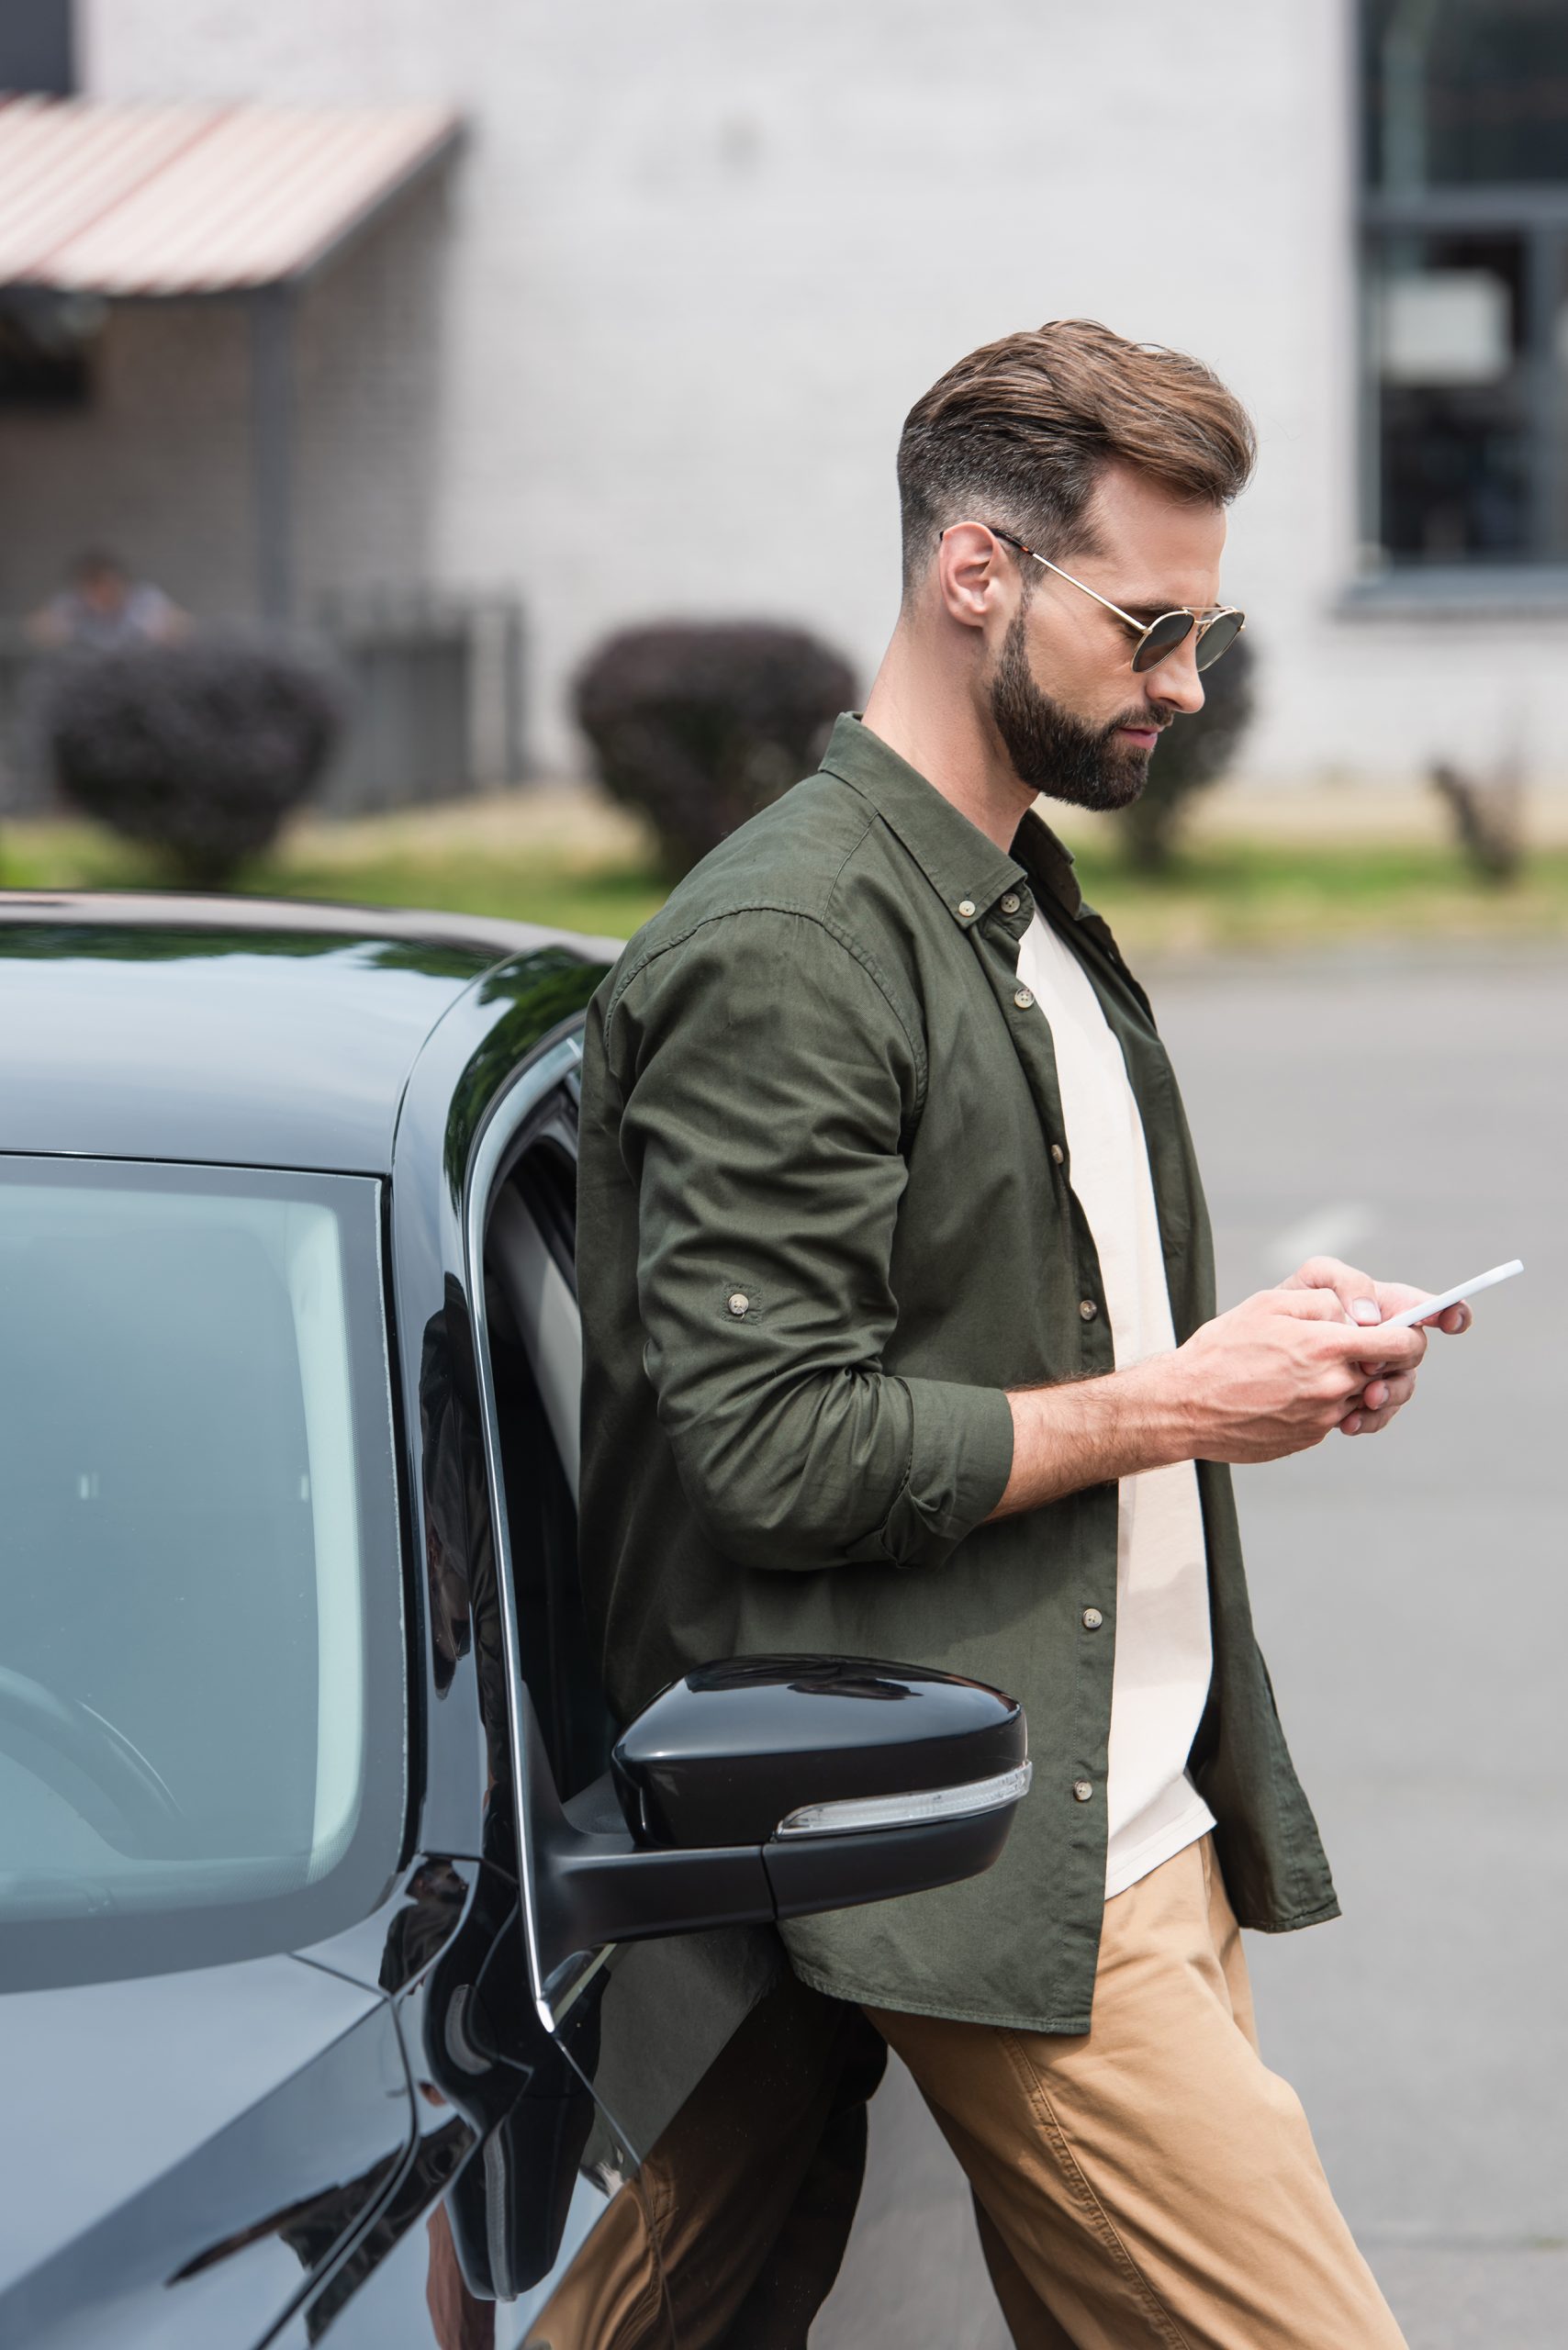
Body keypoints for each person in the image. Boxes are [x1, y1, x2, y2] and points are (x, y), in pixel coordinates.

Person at [576, 319, 1470, 2349]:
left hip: (1114, 1817)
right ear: (973, 570)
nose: (1180, 685)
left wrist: (1247, 1347)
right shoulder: (794, 943)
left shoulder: (1009, 894)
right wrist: (1176, 1402)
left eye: (1201, 637)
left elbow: (1019, 1307)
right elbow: (773, 1442)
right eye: (1148, 627)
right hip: (993, 1863)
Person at [27, 549, 186, 651]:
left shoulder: (143, 599)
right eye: (95, 587)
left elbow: (181, 625)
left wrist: (166, 629)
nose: (104, 593)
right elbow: (37, 630)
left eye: (109, 585)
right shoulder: (73, 604)